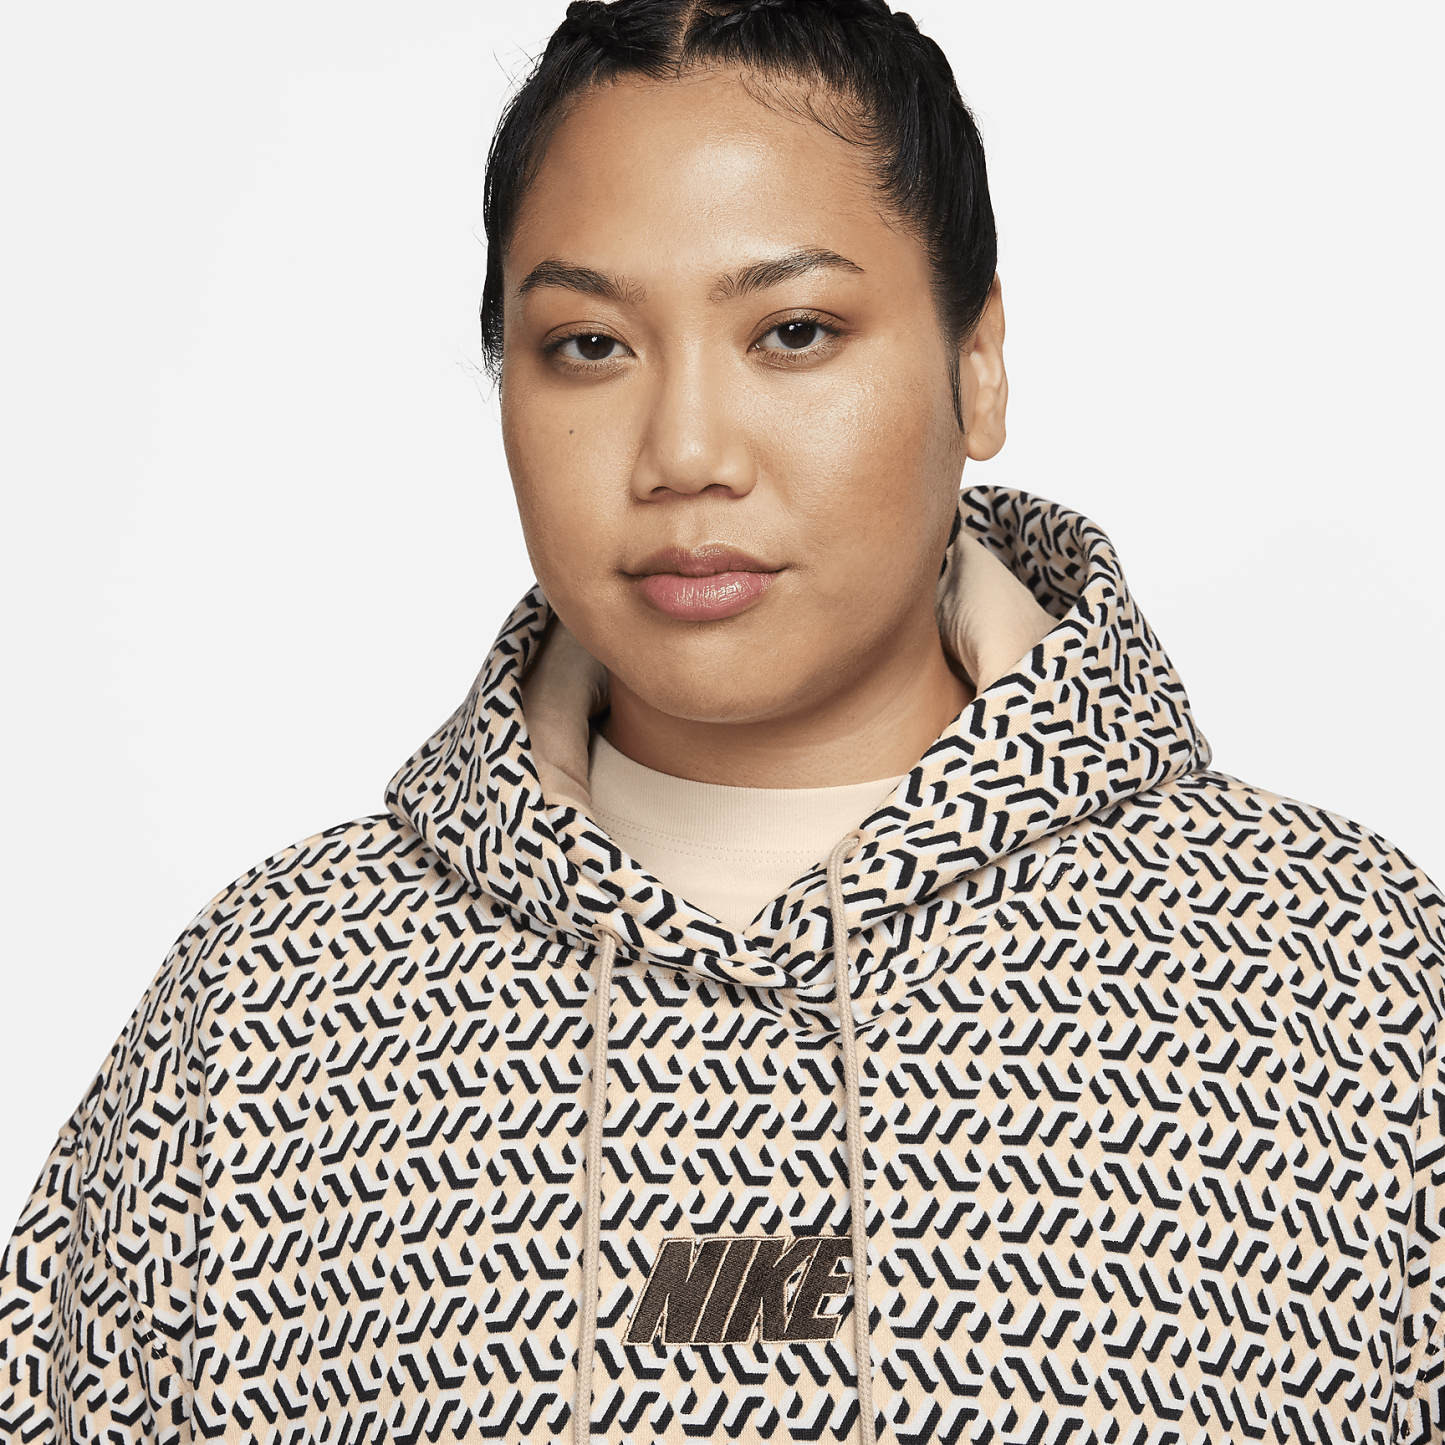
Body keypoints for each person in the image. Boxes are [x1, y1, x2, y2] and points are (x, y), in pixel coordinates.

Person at [2, 1, 1442, 1442]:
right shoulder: (267, 1020)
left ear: (978, 362)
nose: (686, 452)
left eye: (793, 332)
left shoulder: (1346, 989)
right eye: (588, 345)